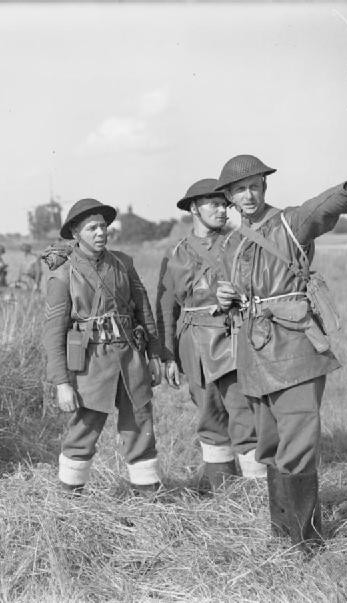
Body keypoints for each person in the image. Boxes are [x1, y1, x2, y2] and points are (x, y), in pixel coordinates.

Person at [213, 154, 347, 552]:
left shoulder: (290, 224)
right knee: (271, 447)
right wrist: (225, 296)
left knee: (297, 447)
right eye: (240, 188)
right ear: (228, 196)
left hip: (294, 350)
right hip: (255, 355)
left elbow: (320, 210)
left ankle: (306, 544)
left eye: (255, 185)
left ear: (264, 188)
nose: (249, 194)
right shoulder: (230, 244)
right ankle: (283, 538)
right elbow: (235, 289)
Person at [42, 198, 163, 494]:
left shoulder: (124, 264)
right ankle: (70, 497)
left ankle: (148, 496)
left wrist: (155, 355)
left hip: (130, 358)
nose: (101, 232)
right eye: (92, 227)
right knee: (85, 427)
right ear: (75, 233)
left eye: (103, 226)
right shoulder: (63, 274)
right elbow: (53, 333)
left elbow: (143, 312)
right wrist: (61, 383)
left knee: (140, 422)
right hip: (90, 363)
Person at [155, 178, 264, 490]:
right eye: (213, 204)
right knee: (209, 416)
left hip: (233, 335)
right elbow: (165, 309)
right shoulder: (175, 254)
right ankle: (223, 492)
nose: (221, 210)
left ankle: (256, 492)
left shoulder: (239, 244)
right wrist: (167, 356)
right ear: (194, 209)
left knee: (243, 412)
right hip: (192, 343)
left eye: (224, 204)